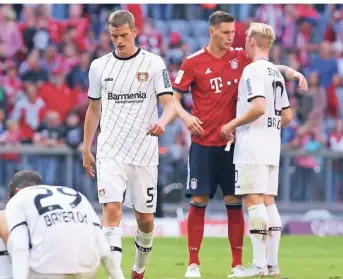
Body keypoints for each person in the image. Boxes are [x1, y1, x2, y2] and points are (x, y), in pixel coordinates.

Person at [172, 11, 307, 278]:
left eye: (233, 33)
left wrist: (292, 72)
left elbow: (267, 66)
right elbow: (173, 98)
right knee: (198, 200)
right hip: (203, 141)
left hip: (234, 144)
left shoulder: (240, 58)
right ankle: (193, 264)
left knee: (235, 201)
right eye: (225, 33)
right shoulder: (193, 62)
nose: (231, 38)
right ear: (212, 32)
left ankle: (237, 263)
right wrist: (186, 117)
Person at [81, 10, 177, 279]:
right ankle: (116, 276)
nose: (120, 41)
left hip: (145, 153)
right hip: (110, 150)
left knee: (145, 220)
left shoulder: (154, 64)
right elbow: (93, 109)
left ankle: (138, 269)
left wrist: (163, 122)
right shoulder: (99, 66)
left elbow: (170, 105)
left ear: (135, 32)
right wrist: (86, 147)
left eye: (124, 35)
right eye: (114, 36)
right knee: (112, 209)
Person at [220, 22, 292, 277]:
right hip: (272, 144)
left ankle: (259, 265)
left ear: (251, 41)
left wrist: (232, 124)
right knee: (268, 201)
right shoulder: (275, 72)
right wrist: (268, 128)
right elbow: (288, 115)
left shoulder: (252, 71)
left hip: (252, 146)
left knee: (253, 200)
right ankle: (272, 265)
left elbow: (258, 107)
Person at [0, 170, 125, 279]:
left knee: (0, 218)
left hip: (46, 272)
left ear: (17, 191)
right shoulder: (75, 194)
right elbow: (104, 250)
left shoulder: (19, 199)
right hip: (87, 270)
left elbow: (20, 247)